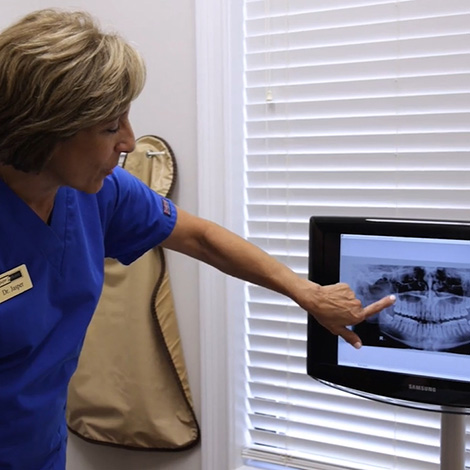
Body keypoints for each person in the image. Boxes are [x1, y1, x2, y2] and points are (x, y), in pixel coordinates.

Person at [0, 8, 395, 470]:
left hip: (39, 448)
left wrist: (305, 292)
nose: (129, 141)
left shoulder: (98, 193)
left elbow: (202, 238)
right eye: (110, 126)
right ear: (46, 129)